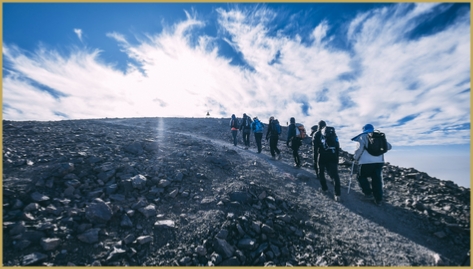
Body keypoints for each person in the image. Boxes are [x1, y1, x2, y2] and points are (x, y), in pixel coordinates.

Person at [352, 124, 392, 205]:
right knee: (376, 179)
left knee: (361, 176)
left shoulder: (362, 137)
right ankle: (378, 199)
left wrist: (355, 158)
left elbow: (359, 149)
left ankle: (368, 194)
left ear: (363, 129)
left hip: (365, 162)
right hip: (379, 162)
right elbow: (389, 146)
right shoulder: (379, 136)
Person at [313, 120, 342, 202]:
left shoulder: (317, 134)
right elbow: (337, 146)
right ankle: (337, 194)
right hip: (332, 155)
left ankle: (324, 188)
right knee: (335, 175)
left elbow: (315, 148)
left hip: (322, 155)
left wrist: (315, 159)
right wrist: (336, 158)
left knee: (321, 172)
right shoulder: (333, 133)